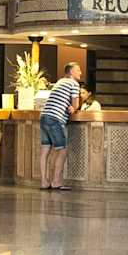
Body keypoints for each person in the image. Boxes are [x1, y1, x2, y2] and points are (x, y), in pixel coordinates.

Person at [39, 62, 81, 191]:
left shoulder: (59, 82)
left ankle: (44, 182)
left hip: (44, 116)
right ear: (71, 72)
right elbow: (76, 105)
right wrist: (73, 107)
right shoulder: (73, 84)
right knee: (62, 151)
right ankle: (56, 181)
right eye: (78, 70)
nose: (80, 73)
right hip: (55, 118)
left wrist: (71, 107)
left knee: (45, 151)